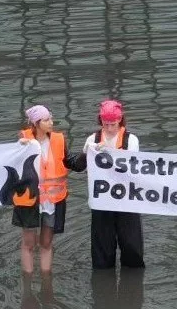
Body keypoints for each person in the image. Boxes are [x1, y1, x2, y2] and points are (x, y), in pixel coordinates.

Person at [66, 99, 145, 270]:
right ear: (100, 121)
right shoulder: (92, 139)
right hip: (102, 200)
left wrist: (111, 153)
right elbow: (79, 167)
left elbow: (132, 167)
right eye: (106, 124)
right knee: (102, 248)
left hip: (127, 200)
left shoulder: (130, 140)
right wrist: (88, 151)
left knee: (131, 245)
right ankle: (103, 275)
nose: (109, 128)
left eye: (113, 124)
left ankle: (132, 282)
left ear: (120, 120)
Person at [14, 105, 69, 275]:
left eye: (50, 118)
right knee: (28, 242)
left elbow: (69, 161)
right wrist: (19, 148)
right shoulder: (24, 142)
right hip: (29, 200)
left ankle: (46, 278)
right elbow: (11, 166)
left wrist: (88, 153)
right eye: (46, 120)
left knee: (46, 242)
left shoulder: (58, 140)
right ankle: (28, 278)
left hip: (52, 200)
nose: (51, 123)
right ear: (36, 123)